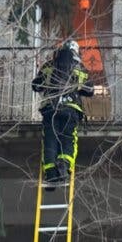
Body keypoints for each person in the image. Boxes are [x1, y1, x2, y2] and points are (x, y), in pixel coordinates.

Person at [32, 40, 94, 186]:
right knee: (68, 138)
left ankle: (51, 172)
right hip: (70, 109)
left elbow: (35, 85)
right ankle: (64, 165)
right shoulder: (80, 68)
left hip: (50, 109)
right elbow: (90, 90)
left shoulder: (48, 66)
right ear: (76, 52)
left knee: (50, 139)